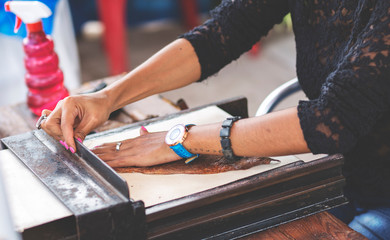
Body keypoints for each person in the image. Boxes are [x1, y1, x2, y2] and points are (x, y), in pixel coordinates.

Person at [41, 1, 390, 239]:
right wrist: (107, 97)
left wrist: (178, 139)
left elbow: (330, 121)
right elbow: (219, 36)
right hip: (340, 172)